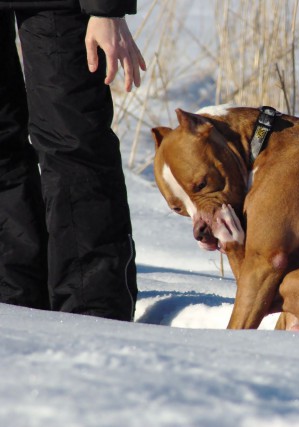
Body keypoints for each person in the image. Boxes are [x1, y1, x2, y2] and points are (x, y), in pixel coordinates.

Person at [0, 0, 146, 321]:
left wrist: (107, 9)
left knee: (74, 144)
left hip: (60, 6)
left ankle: (93, 310)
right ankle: (13, 303)